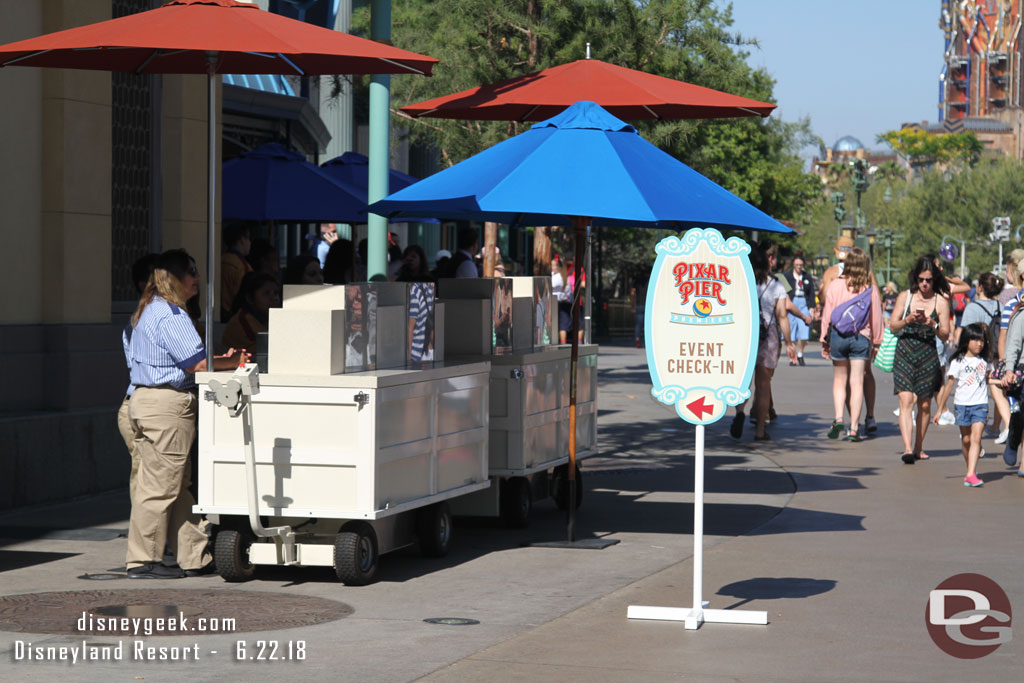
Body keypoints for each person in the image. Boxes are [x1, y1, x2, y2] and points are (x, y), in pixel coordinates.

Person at [126, 249, 249, 579]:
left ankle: (194, 556)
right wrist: (232, 360)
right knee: (160, 487)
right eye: (191, 272)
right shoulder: (169, 315)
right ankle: (143, 560)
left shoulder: (151, 310)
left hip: (148, 403)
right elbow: (195, 364)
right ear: (172, 279)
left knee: (176, 485)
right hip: (165, 405)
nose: (197, 278)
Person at [730, 245, 795, 441]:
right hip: (769, 336)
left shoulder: (740, 283)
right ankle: (759, 430)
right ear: (766, 263)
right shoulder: (776, 285)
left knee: (744, 381)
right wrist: (790, 342)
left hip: (745, 335)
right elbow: (782, 315)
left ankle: (740, 411)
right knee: (763, 384)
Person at [890, 256, 951, 464]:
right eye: (921, 279)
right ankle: (907, 448)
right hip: (905, 351)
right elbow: (892, 326)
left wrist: (932, 323)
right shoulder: (905, 297)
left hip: (928, 354)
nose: (925, 284)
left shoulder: (941, 302)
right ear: (916, 278)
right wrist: (907, 320)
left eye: (929, 280)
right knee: (906, 400)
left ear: (935, 280)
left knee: (924, 405)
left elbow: (945, 335)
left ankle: (918, 447)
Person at [820, 247, 883, 441]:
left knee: (839, 380)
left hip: (838, 336)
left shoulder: (835, 285)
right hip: (860, 337)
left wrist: (824, 338)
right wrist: (877, 341)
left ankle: (839, 417)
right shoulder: (868, 288)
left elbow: (827, 315)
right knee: (857, 382)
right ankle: (854, 428)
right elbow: (877, 316)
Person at [118, 253, 160, 502]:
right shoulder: (143, 321)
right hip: (139, 404)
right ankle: (144, 536)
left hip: (142, 405)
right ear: (143, 285)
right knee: (144, 475)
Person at [933, 323, 992, 486]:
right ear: (967, 340)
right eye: (975, 339)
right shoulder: (958, 362)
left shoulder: (985, 361)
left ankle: (971, 474)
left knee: (976, 437)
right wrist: (940, 410)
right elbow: (949, 385)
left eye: (982, 340)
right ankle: (970, 470)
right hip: (962, 405)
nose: (979, 344)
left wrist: (1003, 381)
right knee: (966, 440)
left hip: (980, 404)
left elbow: (988, 379)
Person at [958, 272, 1007, 443]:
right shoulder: (1002, 306)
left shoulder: (973, 308)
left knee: (978, 391)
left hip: (979, 355)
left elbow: (964, 332)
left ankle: (973, 424)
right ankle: (996, 427)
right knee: (1000, 390)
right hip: (998, 352)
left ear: (980, 287)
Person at [221, 272, 281, 352]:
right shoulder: (243, 322)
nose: (274, 298)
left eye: (276, 293)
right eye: (266, 293)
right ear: (250, 298)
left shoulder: (267, 318)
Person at [1000, 294, 1024, 473]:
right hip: (1021, 369)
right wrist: (1009, 370)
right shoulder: (1022, 315)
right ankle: (1014, 437)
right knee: (1021, 414)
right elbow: (1014, 344)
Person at [782, 255, 816, 366]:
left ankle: (800, 353)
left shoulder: (807, 277)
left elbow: (811, 294)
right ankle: (792, 356)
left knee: (804, 330)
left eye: (800, 265)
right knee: (791, 331)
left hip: (804, 303)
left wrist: (812, 308)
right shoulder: (787, 276)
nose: (799, 267)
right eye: (797, 265)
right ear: (793, 265)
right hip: (792, 302)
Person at [220, 221, 253, 322]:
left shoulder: (220, 260)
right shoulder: (243, 266)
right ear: (242, 240)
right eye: (249, 238)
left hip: (219, 313)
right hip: (235, 316)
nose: (250, 243)